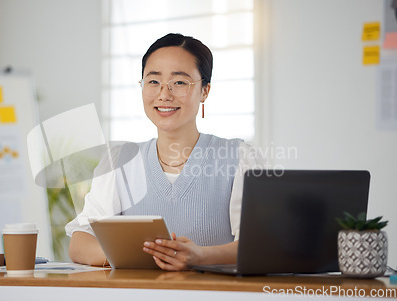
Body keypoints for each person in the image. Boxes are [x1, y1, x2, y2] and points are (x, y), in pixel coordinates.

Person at [65, 33, 264, 271]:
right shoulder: (120, 161)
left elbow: (258, 245)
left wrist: (199, 256)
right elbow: (80, 240)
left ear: (205, 91)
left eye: (179, 82)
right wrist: (133, 256)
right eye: (153, 81)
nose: (164, 94)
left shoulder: (238, 157)